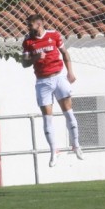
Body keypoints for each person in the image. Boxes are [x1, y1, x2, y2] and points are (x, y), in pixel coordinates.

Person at [21, 13, 82, 167]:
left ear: (39, 23)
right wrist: (35, 58)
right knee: (47, 118)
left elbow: (65, 53)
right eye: (28, 25)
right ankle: (54, 151)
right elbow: (24, 63)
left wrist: (70, 72)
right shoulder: (28, 41)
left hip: (59, 77)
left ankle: (76, 145)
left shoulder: (53, 35)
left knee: (69, 113)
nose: (28, 28)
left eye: (31, 25)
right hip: (43, 81)